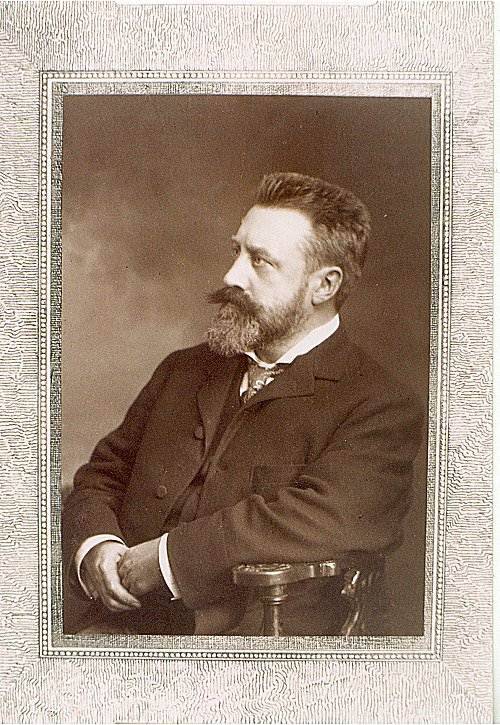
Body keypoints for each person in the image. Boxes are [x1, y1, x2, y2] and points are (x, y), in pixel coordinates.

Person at [62, 171, 424, 636]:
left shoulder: (380, 405)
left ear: (324, 285)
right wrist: (96, 546)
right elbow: (103, 474)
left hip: (250, 649)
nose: (231, 276)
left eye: (260, 261)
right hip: (105, 627)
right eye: (237, 251)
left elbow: (325, 517)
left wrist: (168, 560)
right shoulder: (183, 369)